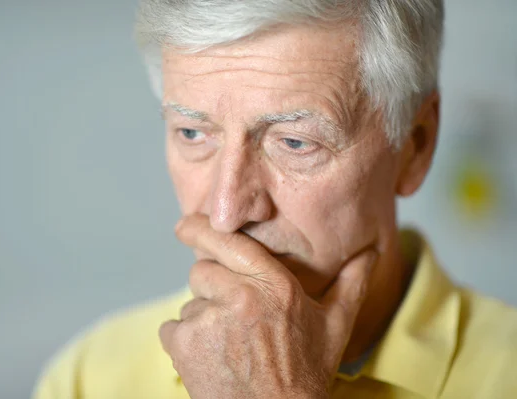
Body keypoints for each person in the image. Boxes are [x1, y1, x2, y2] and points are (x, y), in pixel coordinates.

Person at [33, 1, 517, 398]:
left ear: (415, 146)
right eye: (192, 132)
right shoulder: (86, 378)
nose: (226, 214)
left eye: (295, 143)